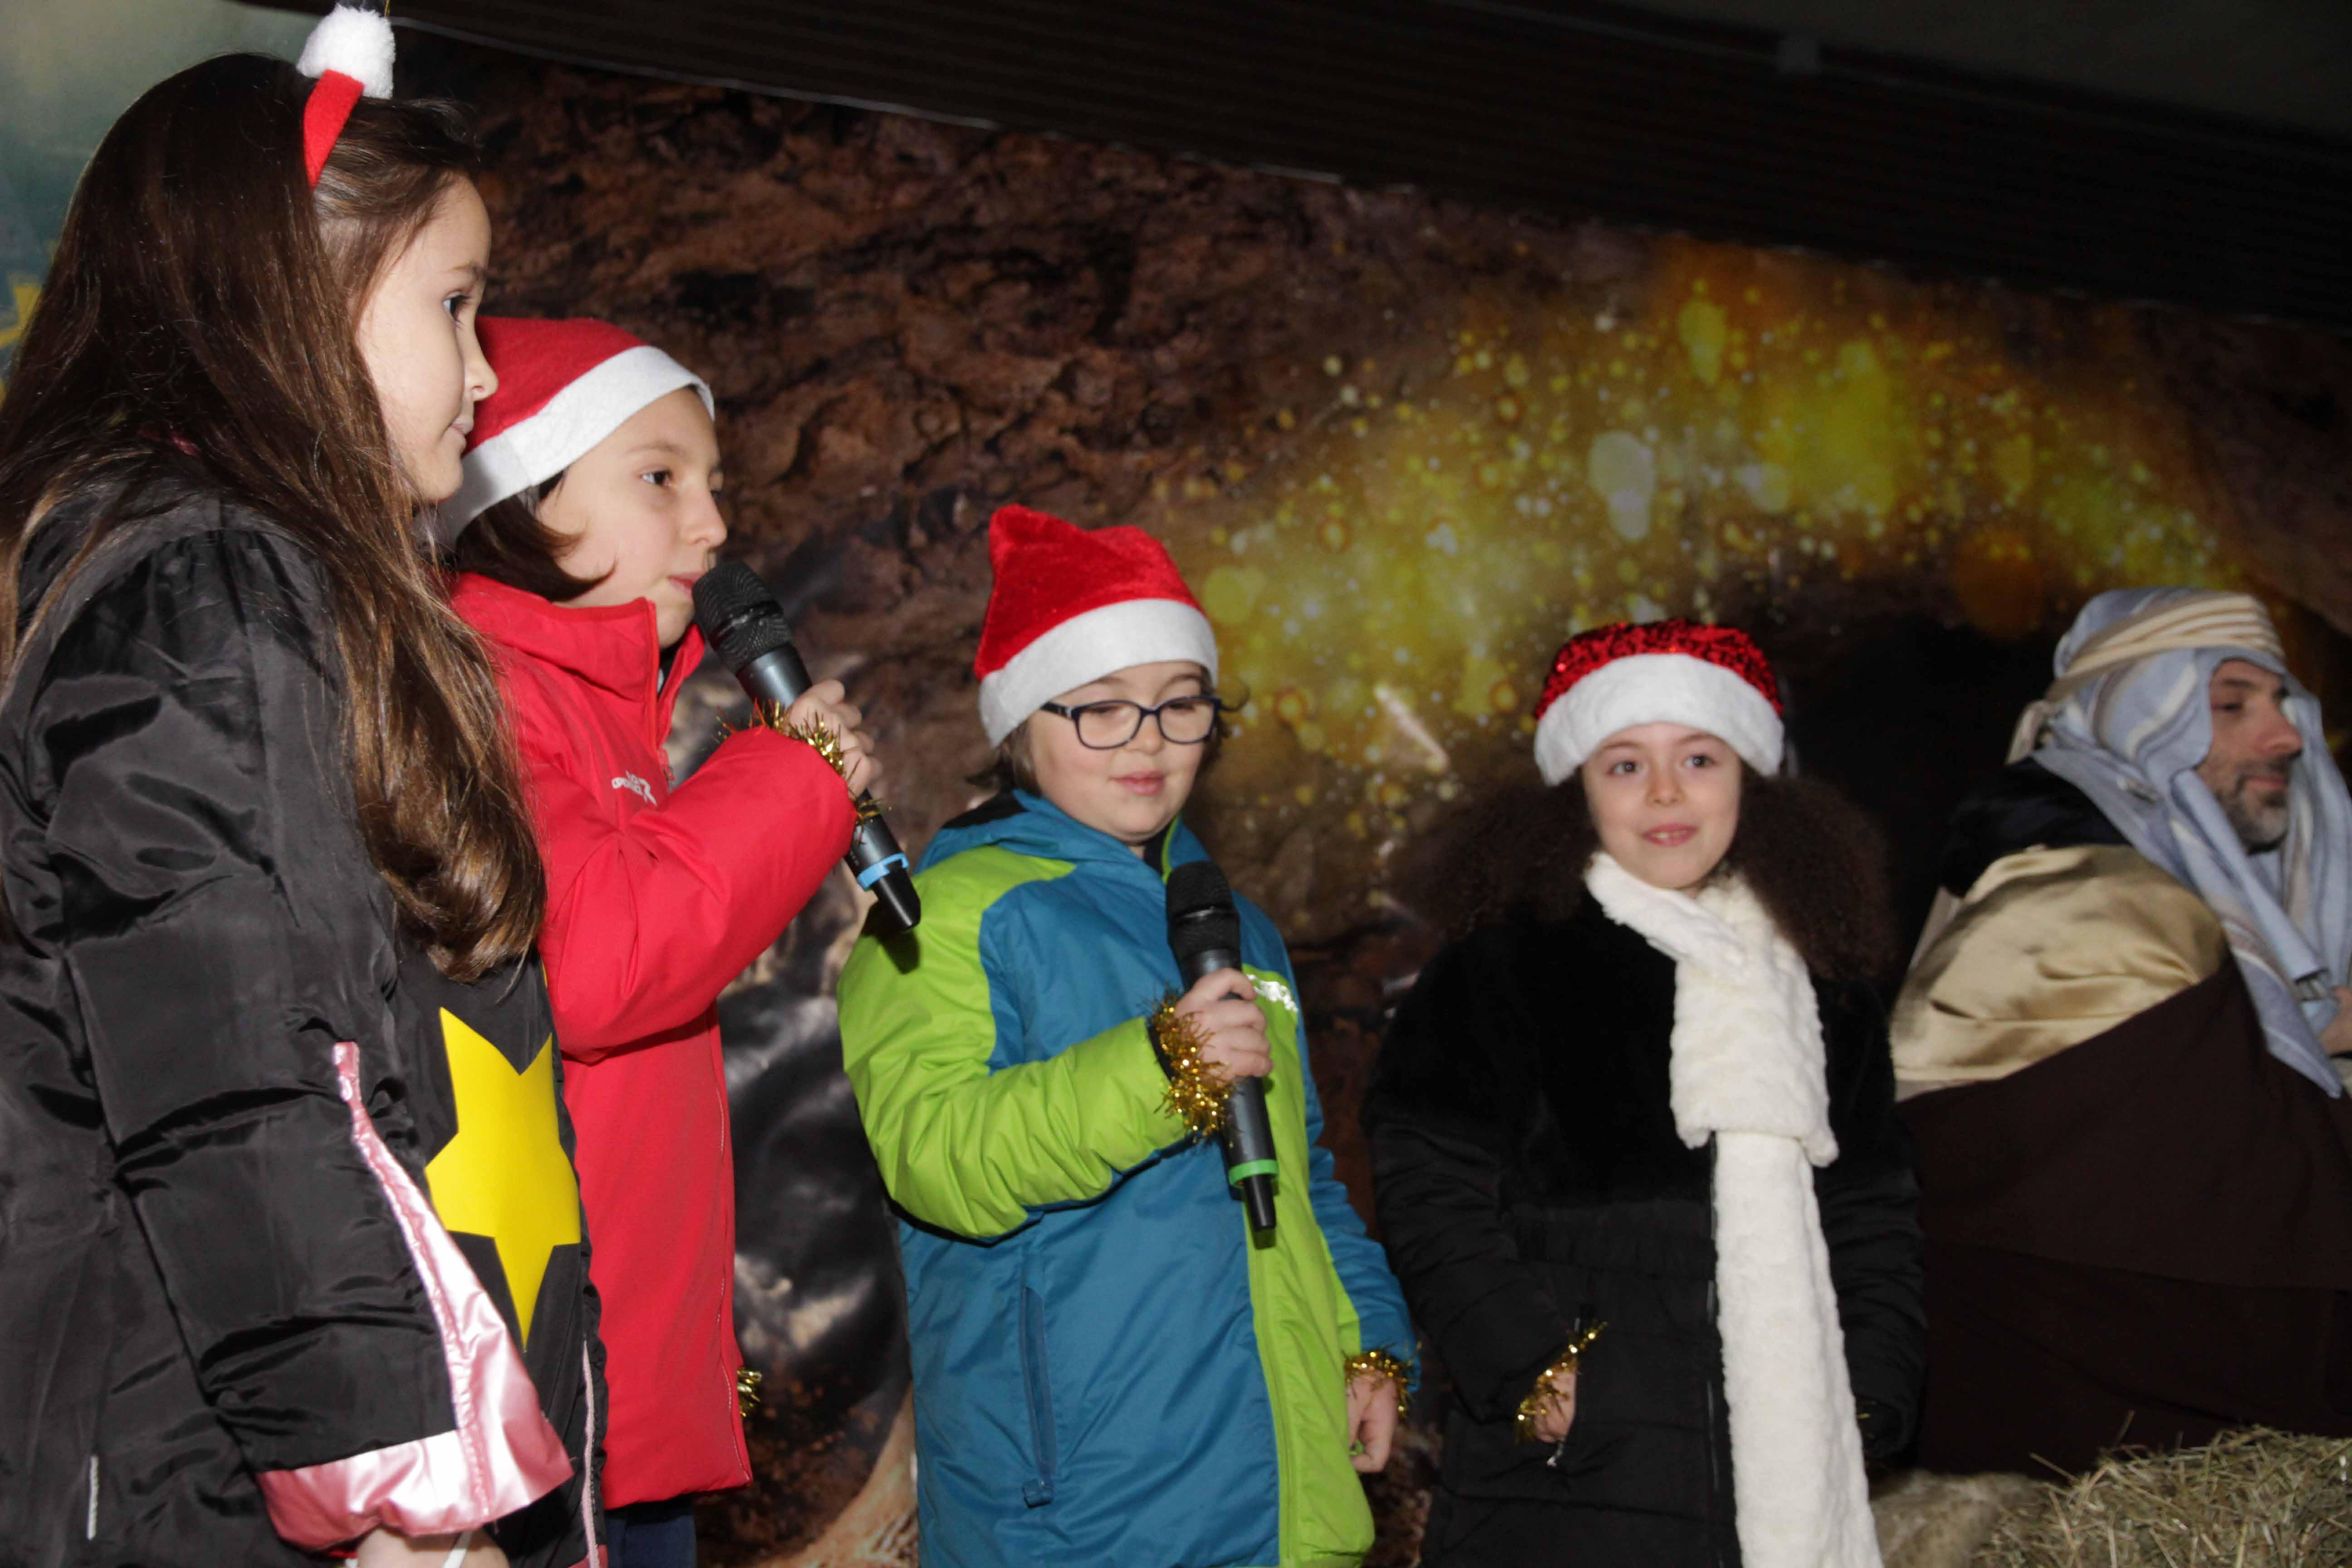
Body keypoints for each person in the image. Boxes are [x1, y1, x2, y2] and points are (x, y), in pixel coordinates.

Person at [0, 14, 601, 1567]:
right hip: (179, 1466)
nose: (485, 372)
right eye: (454, 305)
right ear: (295, 292)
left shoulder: (158, 559)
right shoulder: (200, 580)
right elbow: (240, 1069)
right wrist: (391, 1486)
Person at [834, 505, 1415, 1568]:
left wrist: (1365, 1340)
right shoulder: (941, 917)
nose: (1148, 740)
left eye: (1180, 704)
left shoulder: (1241, 929)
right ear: (1020, 726)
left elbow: (1304, 1173)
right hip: (1084, 1515)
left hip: (1285, 1500)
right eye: (1101, 708)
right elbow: (936, 1156)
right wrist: (1164, 1070)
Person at [443, 317, 875, 1565]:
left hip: (621, 1388)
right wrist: (793, 778)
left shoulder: (611, 716)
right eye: (660, 477)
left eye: (714, 484)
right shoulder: (482, 690)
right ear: (524, 495)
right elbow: (599, 966)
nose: (714, 524)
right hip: (543, 1393)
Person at [1365, 620, 1922, 1568]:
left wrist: (1869, 1393)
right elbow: (1428, 1187)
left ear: (1750, 779)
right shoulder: (1503, 966)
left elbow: (1873, 1213)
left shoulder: (1829, 991)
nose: (1666, 792)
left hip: (1785, 1464)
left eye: (1699, 758)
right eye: (1625, 765)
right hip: (1567, 1484)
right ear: (1577, 792)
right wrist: (1531, 1369)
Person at [1893, 587, 2352, 1475]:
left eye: (2281, 702)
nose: (2287, 737)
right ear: (2133, 717)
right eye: (2232, 707)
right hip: (2085, 1427)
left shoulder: (2138, 884)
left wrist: (2318, 1030)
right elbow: (2194, 1223)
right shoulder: (2091, 900)